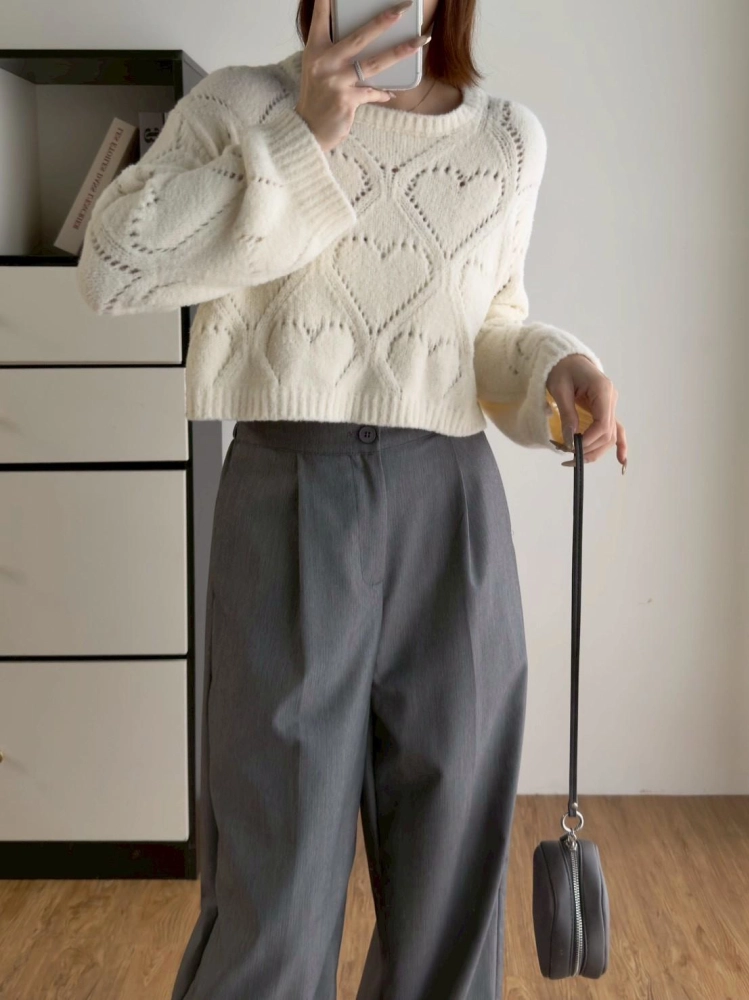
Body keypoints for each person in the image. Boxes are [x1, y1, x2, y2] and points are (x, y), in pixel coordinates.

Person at [76, 0, 626, 996]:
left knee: (450, 871)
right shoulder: (240, 105)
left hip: (449, 510)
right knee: (271, 887)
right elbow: (113, 265)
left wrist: (556, 362)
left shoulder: (506, 142)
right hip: (287, 489)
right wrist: (300, 136)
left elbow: (488, 323)